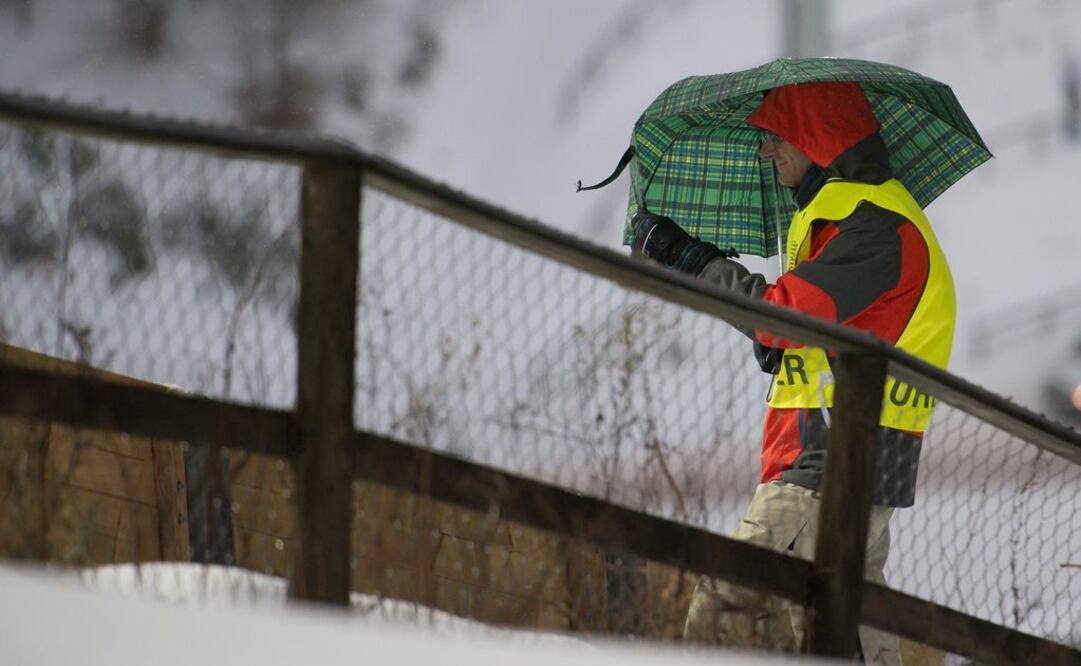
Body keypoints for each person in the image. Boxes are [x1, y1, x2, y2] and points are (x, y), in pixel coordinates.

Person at [630, 81, 956, 665]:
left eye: (776, 136)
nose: (765, 152)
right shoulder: (856, 225)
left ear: (818, 135)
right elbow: (816, 330)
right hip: (844, 455)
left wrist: (692, 261)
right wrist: (788, 346)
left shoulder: (873, 231)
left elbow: (779, 317)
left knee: (721, 601)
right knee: (849, 629)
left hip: (829, 461)